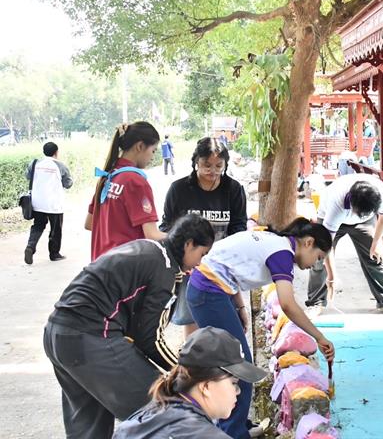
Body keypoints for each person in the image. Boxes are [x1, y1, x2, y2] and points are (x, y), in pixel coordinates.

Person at [43, 214, 215, 439]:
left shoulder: (148, 248)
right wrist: (183, 372)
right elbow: (149, 338)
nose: (200, 263)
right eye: (201, 254)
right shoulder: (163, 267)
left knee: (89, 424)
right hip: (92, 336)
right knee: (164, 405)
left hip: (57, 335)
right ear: (189, 244)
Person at [186, 218, 336, 439]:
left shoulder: (275, 242)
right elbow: (287, 303)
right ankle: (233, 433)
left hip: (214, 290)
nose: (315, 263)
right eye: (319, 257)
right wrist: (320, 337)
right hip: (208, 292)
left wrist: (239, 307)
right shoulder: (282, 253)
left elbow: (229, 267)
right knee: (239, 365)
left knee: (233, 361)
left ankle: (236, 425)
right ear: (308, 242)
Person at [161, 137, 247, 338]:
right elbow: (166, 226)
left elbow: (239, 226)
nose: (213, 171)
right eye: (206, 165)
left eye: (219, 166)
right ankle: (195, 360)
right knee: (192, 317)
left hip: (221, 265)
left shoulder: (233, 190)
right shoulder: (179, 189)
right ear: (196, 162)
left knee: (221, 316)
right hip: (189, 265)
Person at [113, 326, 267, 439]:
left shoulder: (157, 410)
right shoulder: (202, 434)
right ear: (206, 387)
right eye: (234, 383)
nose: (238, 391)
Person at [306, 174, 383, 317]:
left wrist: (377, 242)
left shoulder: (380, 194)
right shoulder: (337, 203)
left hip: (365, 223)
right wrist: (332, 277)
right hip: (330, 218)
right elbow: (326, 246)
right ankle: (316, 303)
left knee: (376, 256)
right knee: (318, 257)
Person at [85, 121, 165, 261]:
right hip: (126, 272)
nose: (152, 157)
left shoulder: (107, 176)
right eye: (153, 151)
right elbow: (152, 235)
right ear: (140, 146)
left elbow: (90, 223)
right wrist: (182, 237)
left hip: (99, 269)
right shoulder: (135, 182)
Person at [24, 142, 73, 264]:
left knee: (38, 225)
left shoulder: (35, 163)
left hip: (38, 202)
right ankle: (54, 254)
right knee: (56, 229)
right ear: (56, 152)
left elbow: (28, 176)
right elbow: (68, 184)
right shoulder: (61, 166)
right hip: (54, 204)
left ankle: (30, 247)